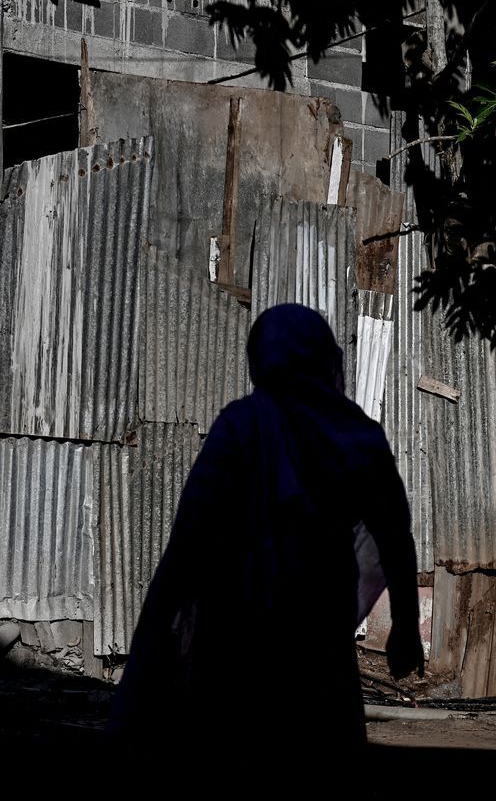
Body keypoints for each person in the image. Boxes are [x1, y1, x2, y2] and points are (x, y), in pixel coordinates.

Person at [106, 303, 423, 757]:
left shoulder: (242, 425)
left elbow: (191, 538)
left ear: (262, 360)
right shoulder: (359, 437)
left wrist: (165, 634)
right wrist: (405, 628)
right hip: (318, 634)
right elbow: (395, 539)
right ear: (327, 360)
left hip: (237, 633)